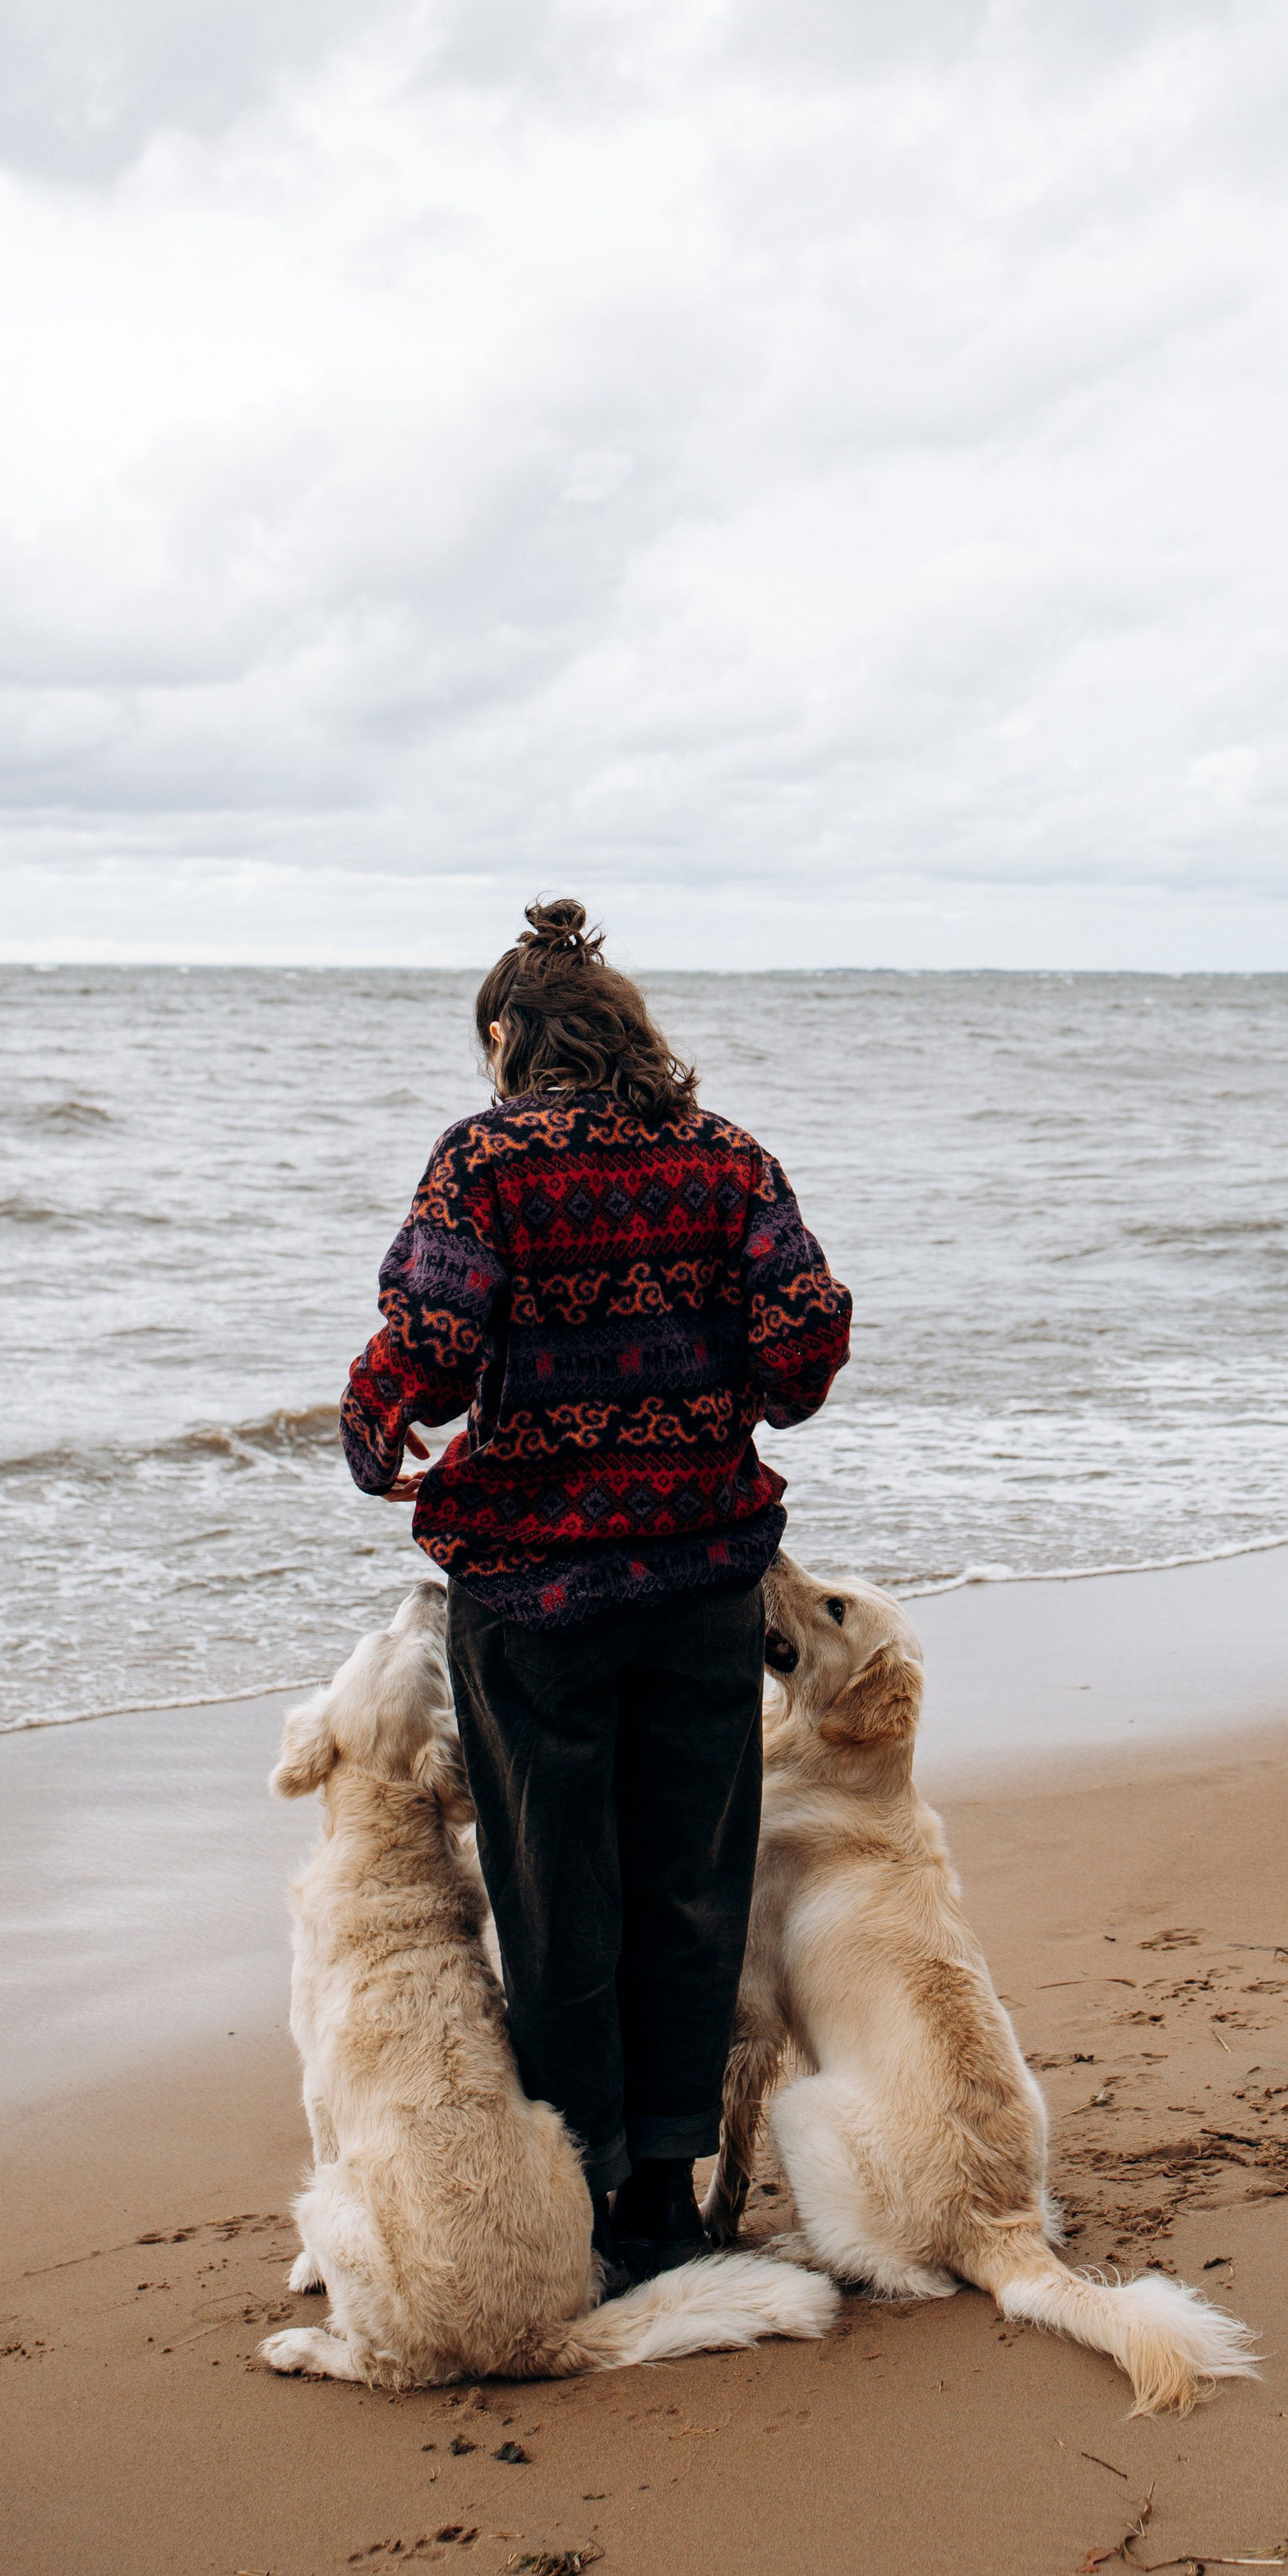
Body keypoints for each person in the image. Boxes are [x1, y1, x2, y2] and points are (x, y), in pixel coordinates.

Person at [338, 898, 852, 2285]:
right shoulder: (726, 1157)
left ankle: (585, 2190)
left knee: (560, 1891)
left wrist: (372, 1429)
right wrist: (701, 1403)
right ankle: (669, 2206)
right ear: (630, 1031)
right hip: (701, 1574)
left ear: (510, 1036)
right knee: (688, 1883)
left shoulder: (485, 1163)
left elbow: (434, 1342)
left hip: (536, 1590)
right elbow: (804, 1350)